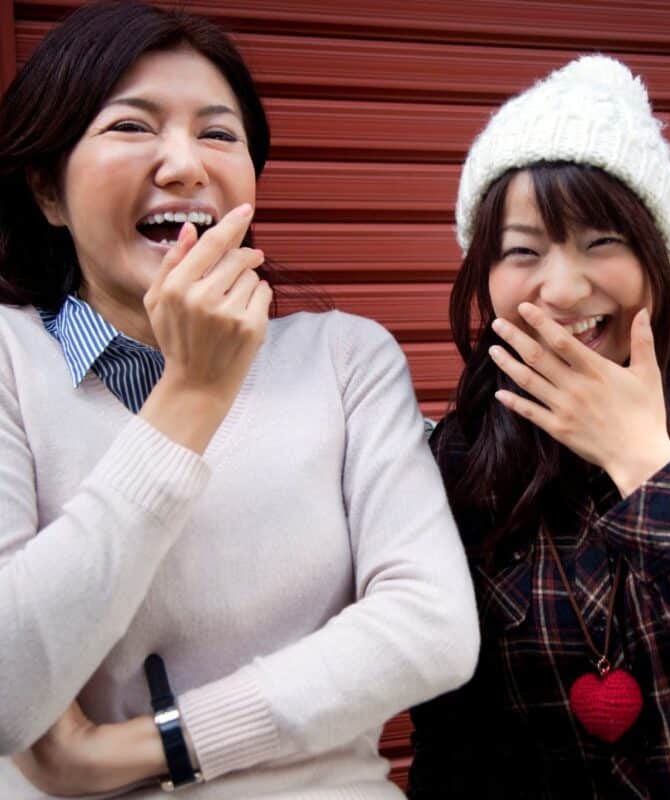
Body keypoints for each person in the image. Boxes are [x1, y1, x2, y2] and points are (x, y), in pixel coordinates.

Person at [0, 2, 479, 797]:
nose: (185, 165)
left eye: (219, 134)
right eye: (131, 126)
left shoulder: (345, 358)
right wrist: (191, 395)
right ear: (48, 189)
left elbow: (433, 628)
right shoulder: (11, 360)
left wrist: (140, 749)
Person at [408, 55, 670, 798]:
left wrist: (647, 467)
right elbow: (453, 743)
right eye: (523, 251)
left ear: (658, 258)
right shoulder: (462, 457)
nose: (562, 289)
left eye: (601, 242)